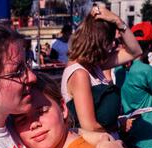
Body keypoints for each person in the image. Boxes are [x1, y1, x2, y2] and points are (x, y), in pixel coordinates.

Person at [61, 3, 142, 134]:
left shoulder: (94, 65)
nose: (111, 47)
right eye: (110, 42)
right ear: (100, 41)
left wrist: (118, 22)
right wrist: (119, 125)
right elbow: (89, 127)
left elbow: (135, 51)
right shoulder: (80, 74)